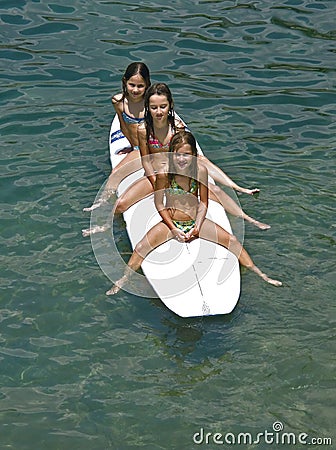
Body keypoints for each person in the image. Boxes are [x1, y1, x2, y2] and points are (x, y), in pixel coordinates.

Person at [107, 131, 282, 295]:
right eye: (178, 154)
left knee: (233, 241)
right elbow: (159, 204)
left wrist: (197, 226)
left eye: (187, 155)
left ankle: (261, 275)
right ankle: (123, 279)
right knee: (140, 248)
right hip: (171, 223)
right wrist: (173, 228)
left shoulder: (200, 171)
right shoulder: (164, 174)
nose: (182, 159)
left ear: (194, 155)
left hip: (195, 221)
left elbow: (204, 202)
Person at [83, 62, 151, 212]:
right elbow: (123, 127)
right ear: (124, 82)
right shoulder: (118, 102)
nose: (135, 89)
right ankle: (101, 204)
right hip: (138, 149)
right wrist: (132, 147)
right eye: (132, 85)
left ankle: (111, 207)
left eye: (140, 86)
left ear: (147, 85)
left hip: (151, 149)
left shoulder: (151, 105)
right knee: (115, 174)